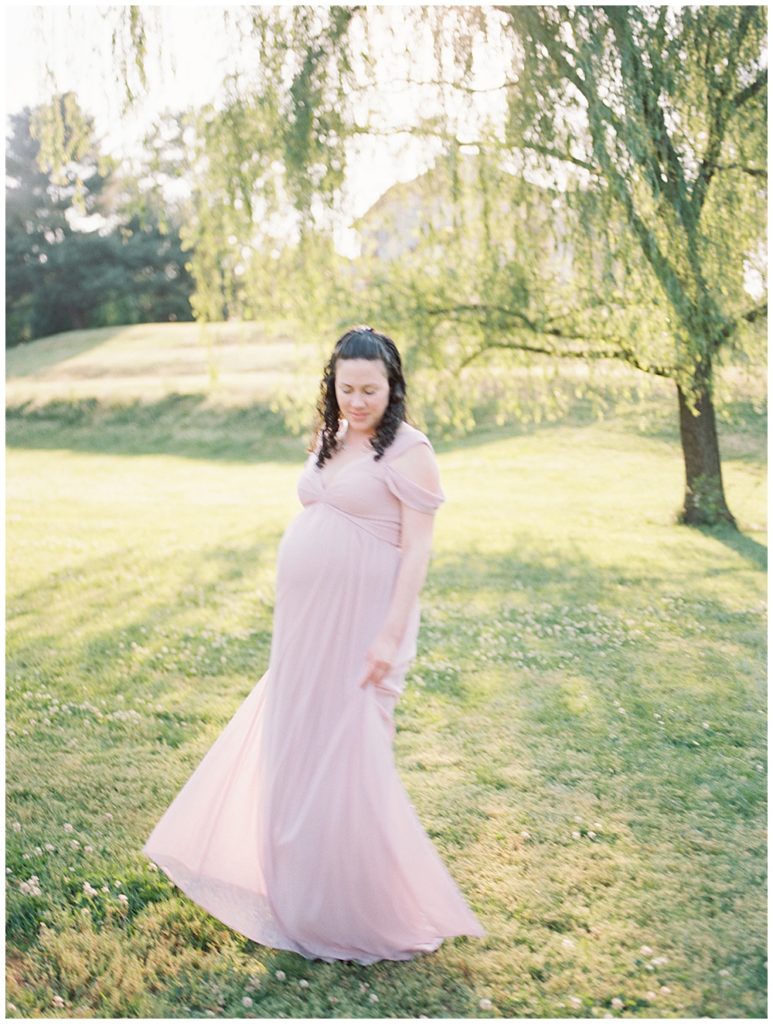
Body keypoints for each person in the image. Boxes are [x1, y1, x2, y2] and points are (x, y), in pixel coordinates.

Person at [142, 325, 486, 965]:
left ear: (393, 387)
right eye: (346, 388)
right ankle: (296, 893)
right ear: (333, 386)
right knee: (296, 745)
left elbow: (417, 552)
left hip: (363, 630)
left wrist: (388, 633)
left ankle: (355, 905)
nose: (357, 401)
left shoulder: (411, 451)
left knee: (347, 756)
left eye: (370, 390)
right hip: (304, 628)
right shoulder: (330, 439)